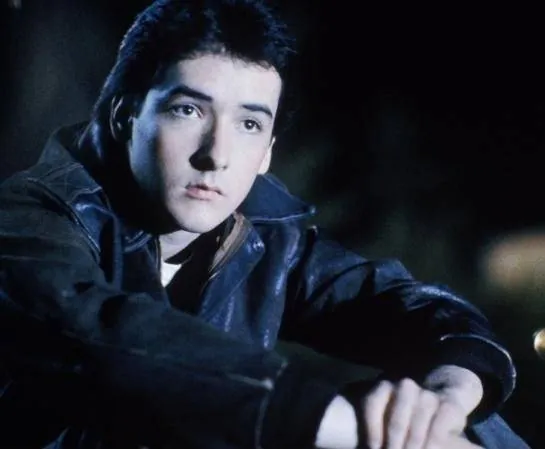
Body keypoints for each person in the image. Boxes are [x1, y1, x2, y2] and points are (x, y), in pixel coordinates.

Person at [0, 0, 530, 448]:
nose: (217, 154)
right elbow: (100, 339)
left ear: (268, 152)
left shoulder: (263, 241)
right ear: (125, 117)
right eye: (188, 110)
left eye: (249, 123)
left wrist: (448, 396)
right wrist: (337, 423)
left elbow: (414, 307)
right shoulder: (32, 218)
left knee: (471, 426)